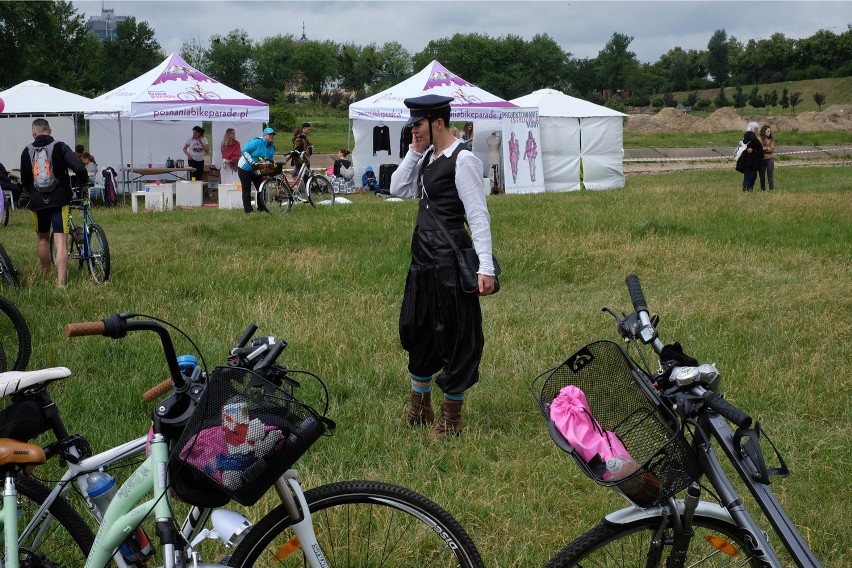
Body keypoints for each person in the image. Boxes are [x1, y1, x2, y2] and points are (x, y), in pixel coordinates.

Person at [389, 94, 497, 439]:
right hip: (422, 258)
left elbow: (478, 215)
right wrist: (414, 150)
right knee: (418, 326)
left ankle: (451, 418)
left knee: (456, 334)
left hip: (450, 261)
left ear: (437, 122)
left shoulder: (462, 159)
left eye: (418, 125)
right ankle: (420, 407)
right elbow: (397, 188)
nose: (414, 131)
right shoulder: (427, 157)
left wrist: (486, 268)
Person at [20, 118, 87, 287]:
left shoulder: (26, 150)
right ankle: (61, 284)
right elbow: (79, 167)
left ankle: (46, 277)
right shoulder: (60, 146)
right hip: (59, 199)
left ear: (34, 133)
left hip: (38, 201)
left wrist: (33, 193)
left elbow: (25, 179)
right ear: (50, 131)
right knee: (60, 241)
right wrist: (83, 183)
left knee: (43, 238)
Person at [237, 127, 276, 214]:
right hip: (245, 168)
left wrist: (268, 170)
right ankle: (248, 211)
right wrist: (252, 162)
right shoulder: (257, 142)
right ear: (264, 135)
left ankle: (261, 209)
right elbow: (244, 151)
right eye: (269, 134)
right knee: (247, 189)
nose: (271, 136)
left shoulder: (272, 147)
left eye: (273, 134)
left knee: (261, 188)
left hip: (258, 169)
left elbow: (269, 160)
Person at [737, 121, 763, 192]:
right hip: (750, 160)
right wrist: (754, 148)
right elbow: (756, 143)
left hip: (749, 160)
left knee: (753, 175)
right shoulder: (751, 134)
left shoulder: (746, 135)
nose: (757, 130)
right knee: (749, 175)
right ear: (754, 128)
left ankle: (749, 189)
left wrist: (753, 148)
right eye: (756, 128)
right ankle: (746, 189)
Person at [759, 124, 775, 191]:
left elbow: (771, 149)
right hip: (761, 159)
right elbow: (759, 148)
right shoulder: (759, 139)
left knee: (770, 175)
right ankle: (763, 189)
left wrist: (765, 149)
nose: (769, 133)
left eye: (770, 131)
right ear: (764, 131)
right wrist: (766, 148)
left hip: (770, 159)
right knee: (762, 176)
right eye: (768, 131)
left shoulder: (771, 139)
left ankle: (771, 189)